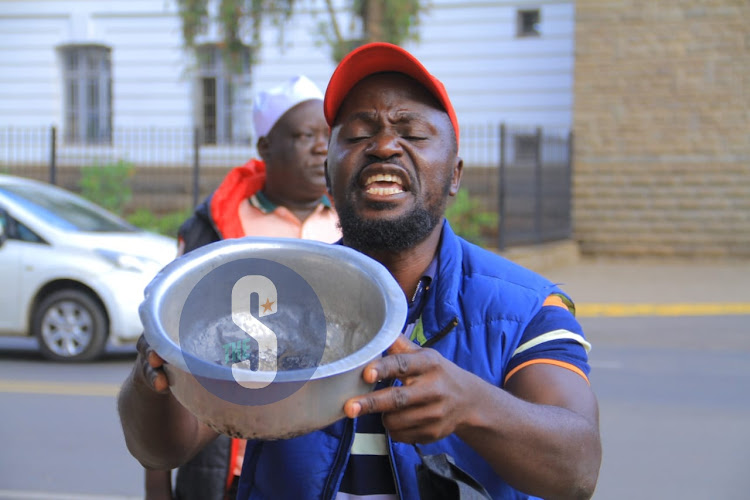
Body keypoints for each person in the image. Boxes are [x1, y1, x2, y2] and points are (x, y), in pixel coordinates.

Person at [120, 43, 601, 500]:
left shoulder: (528, 308)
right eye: (356, 134)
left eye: (411, 132)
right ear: (329, 174)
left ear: (455, 174)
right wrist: (155, 378)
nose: (385, 145)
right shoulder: (271, 299)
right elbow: (166, 446)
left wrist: (472, 407)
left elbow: (577, 470)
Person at [142, 74, 341, 500]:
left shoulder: (352, 226)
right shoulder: (215, 231)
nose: (322, 147)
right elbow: (169, 352)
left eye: (328, 135)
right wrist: (157, 479)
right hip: (226, 461)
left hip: (327, 457)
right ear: (265, 146)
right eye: (306, 135)